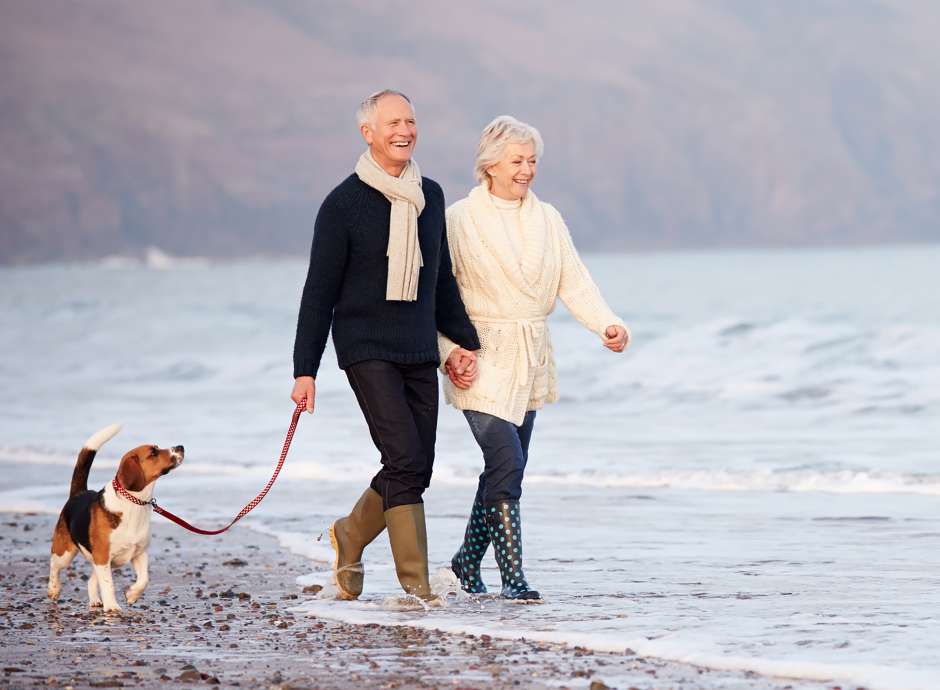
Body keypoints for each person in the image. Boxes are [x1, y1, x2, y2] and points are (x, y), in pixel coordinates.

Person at [291, 90, 480, 604]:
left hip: (418, 346)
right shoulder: (343, 204)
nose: (405, 130)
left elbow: (440, 281)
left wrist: (466, 344)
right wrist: (305, 370)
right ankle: (417, 587)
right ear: (367, 133)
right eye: (392, 122)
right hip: (365, 347)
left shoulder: (431, 196)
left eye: (411, 121)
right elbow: (318, 292)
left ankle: (350, 534)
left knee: (416, 465)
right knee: (403, 456)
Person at [439, 115, 630, 601]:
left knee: (508, 466)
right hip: (478, 355)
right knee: (505, 459)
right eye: (517, 161)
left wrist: (606, 324)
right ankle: (513, 578)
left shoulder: (548, 218)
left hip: (531, 355)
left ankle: (464, 563)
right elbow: (439, 293)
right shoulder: (460, 218)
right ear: (491, 165)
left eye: (532, 161)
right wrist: (448, 352)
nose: (527, 170)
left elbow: (574, 280)